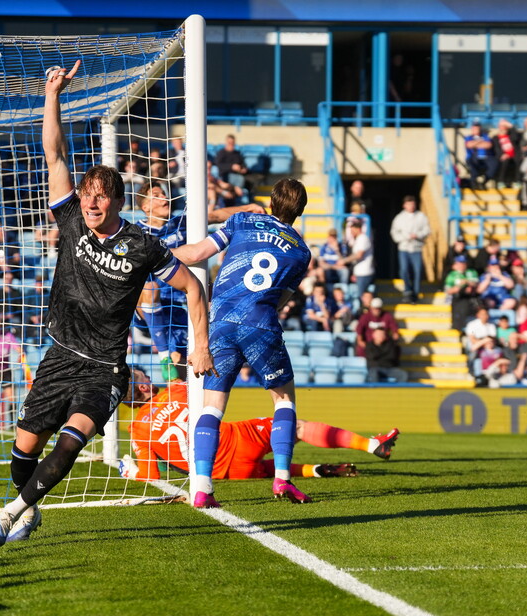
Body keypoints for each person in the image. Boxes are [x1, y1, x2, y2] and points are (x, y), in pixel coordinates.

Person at [0, 60, 215, 547]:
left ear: (116, 200)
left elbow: (193, 288)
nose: (91, 203)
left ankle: (10, 513)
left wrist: (201, 346)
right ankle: (29, 507)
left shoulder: (143, 246)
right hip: (58, 355)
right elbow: (55, 155)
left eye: (100, 196)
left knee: (69, 444)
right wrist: (52, 94)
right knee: (23, 452)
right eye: (87, 194)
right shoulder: (69, 221)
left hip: (105, 368)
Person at [173, 176, 313, 507]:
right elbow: (280, 302)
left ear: (272, 200)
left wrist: (151, 256)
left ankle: (203, 488)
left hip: (220, 323)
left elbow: (195, 254)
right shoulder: (301, 252)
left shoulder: (244, 219)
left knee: (212, 406)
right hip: (260, 325)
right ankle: (282, 480)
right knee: (284, 402)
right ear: (300, 210)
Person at [121, 370, 399, 482]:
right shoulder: (179, 389)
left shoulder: (136, 429)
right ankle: (372, 445)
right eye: (140, 373)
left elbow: (152, 477)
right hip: (237, 441)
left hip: (222, 474)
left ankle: (314, 471)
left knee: (263, 469)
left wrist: (130, 472)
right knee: (295, 427)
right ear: (144, 384)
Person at [134, 183, 262, 380]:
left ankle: (188, 400)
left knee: (186, 375)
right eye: (157, 195)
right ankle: (163, 356)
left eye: (164, 194)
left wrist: (247, 208)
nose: (164, 198)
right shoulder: (137, 233)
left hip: (183, 305)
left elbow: (216, 216)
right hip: (151, 308)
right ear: (145, 207)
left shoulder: (180, 223)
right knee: (150, 289)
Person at [390, 195, 430, 304]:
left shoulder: (421, 216)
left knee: (417, 271)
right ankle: (408, 291)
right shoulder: (399, 218)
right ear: (404, 205)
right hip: (404, 248)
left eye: (413, 204)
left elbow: (427, 230)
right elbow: (394, 232)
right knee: (404, 270)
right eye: (409, 204)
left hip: (416, 248)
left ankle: (415, 293)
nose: (411, 206)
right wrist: (404, 238)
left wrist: (417, 235)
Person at [444, 255, 479, 330]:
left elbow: (476, 284)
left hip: (471, 297)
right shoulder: (452, 275)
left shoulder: (471, 272)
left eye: (463, 263)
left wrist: (467, 282)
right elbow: (448, 290)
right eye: (460, 263)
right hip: (458, 297)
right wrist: (460, 286)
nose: (462, 265)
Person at [345, 217, 374, 300]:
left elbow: (359, 255)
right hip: (359, 272)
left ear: (358, 229)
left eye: (352, 230)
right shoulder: (358, 239)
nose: (351, 233)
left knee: (363, 297)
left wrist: (344, 261)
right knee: (360, 296)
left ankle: (365, 311)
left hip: (364, 272)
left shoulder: (363, 238)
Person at [464, 121, 497, 188]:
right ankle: (473, 182)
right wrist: (480, 142)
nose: (476, 130)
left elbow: (488, 145)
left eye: (477, 128)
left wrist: (475, 144)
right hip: (473, 158)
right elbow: (469, 145)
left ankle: (484, 181)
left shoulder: (485, 136)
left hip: (485, 157)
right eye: (474, 128)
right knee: (472, 161)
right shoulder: (469, 137)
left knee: (494, 163)